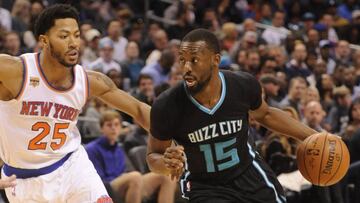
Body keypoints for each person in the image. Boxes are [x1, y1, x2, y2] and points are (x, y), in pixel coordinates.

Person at [147, 28, 321, 203]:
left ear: (216, 60)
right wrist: (166, 163)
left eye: (194, 60)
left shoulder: (242, 85)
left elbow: (266, 114)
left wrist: (312, 136)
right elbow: (153, 156)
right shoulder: (167, 105)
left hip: (248, 173)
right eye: (182, 60)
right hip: (205, 186)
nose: (186, 68)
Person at [0, 4, 150, 202]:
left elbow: (139, 109)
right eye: (64, 36)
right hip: (23, 180)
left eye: (77, 35)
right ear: (44, 41)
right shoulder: (14, 71)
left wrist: (172, 141)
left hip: (73, 167)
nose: (73, 43)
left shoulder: (88, 80)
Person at [86, 110, 176, 203]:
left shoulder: (119, 147)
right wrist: (126, 177)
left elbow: (129, 170)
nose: (113, 128)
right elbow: (96, 179)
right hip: (108, 186)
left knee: (166, 176)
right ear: (102, 128)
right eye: (109, 125)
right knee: (135, 176)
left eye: (116, 125)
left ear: (120, 127)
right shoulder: (92, 148)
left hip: (128, 181)